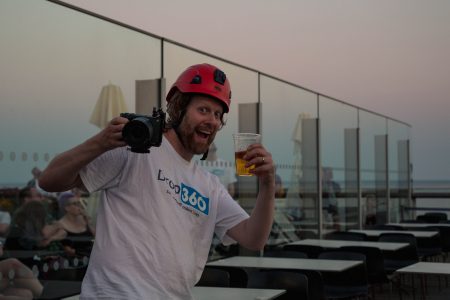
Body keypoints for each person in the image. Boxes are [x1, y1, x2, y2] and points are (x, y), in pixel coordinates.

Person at [39, 63, 275, 299]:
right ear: (178, 108)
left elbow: (253, 239)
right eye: (203, 110)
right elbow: (49, 180)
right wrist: (100, 142)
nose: (212, 121)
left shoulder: (209, 185)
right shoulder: (135, 151)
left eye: (217, 115)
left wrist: (267, 184)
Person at [57, 192, 95, 257]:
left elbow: (96, 236)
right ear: (66, 208)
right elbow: (68, 251)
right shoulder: (61, 225)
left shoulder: (84, 219)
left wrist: (88, 221)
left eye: (79, 203)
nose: (79, 206)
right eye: (75, 204)